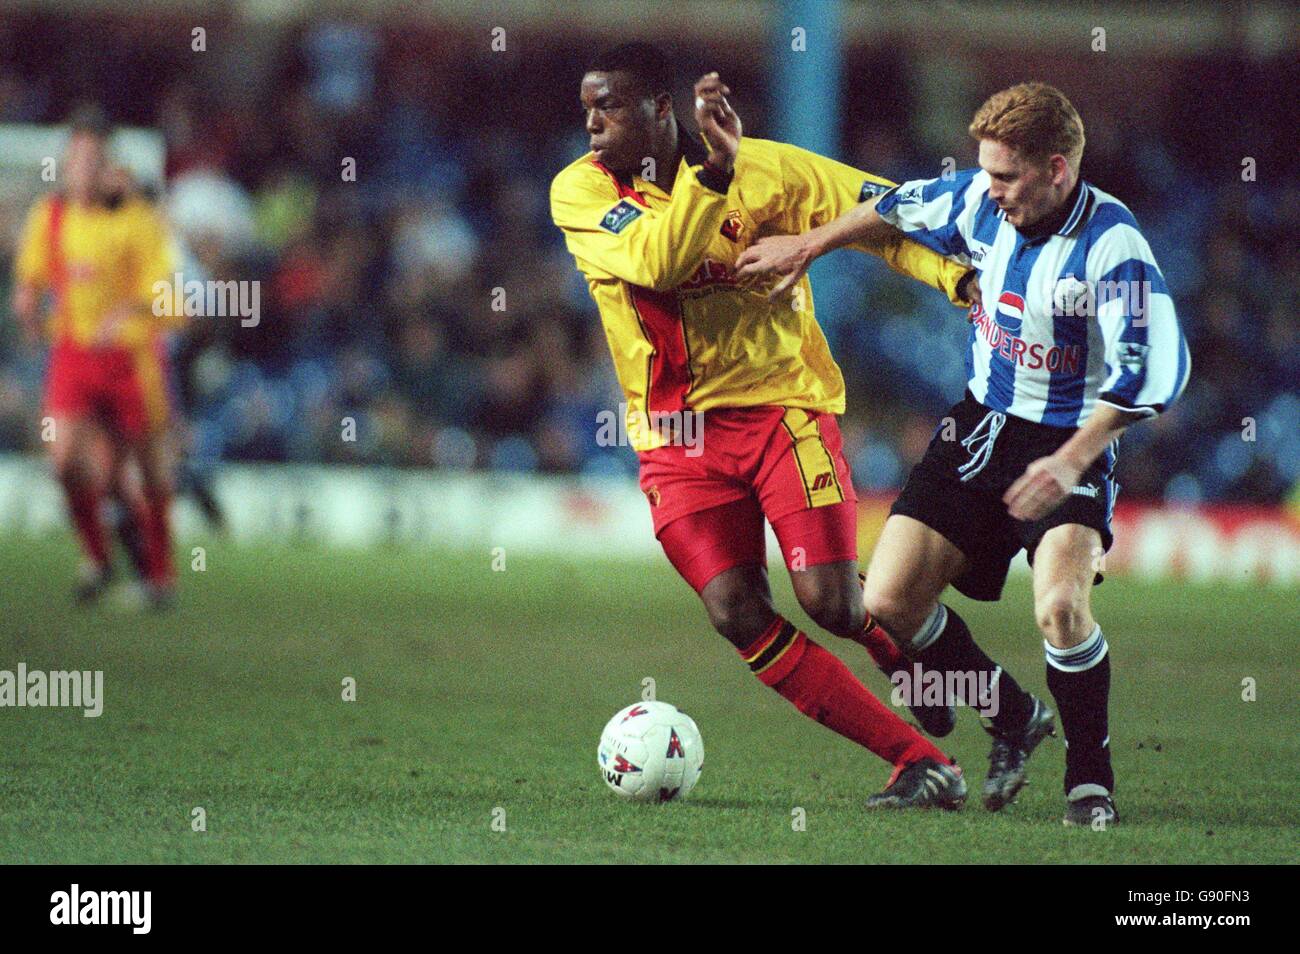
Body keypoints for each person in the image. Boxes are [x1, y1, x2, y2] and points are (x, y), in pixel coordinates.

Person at [736, 82, 1191, 826]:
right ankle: (1013, 715)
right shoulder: (977, 200)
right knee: (885, 601)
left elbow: (1155, 369)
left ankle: (1090, 779)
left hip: (1068, 439)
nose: (991, 189)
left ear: (1057, 170)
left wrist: (1073, 459)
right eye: (985, 171)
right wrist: (810, 245)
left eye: (1007, 176)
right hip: (982, 426)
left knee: (1062, 612)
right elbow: (891, 204)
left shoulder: (1113, 246)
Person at [550, 42, 983, 808]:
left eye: (607, 107)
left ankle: (924, 663)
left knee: (832, 603)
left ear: (659, 109)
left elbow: (880, 212)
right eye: (586, 108)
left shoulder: (767, 170)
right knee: (736, 610)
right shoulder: (580, 194)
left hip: (780, 407)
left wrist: (957, 276)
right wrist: (712, 177)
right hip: (674, 439)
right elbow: (657, 261)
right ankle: (920, 760)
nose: (591, 125)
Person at [11, 105, 185, 608]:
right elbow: (32, 277)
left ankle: (160, 575)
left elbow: (166, 295)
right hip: (73, 354)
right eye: (77, 157)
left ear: (108, 162)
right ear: (67, 161)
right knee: (64, 459)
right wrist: (26, 300)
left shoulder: (137, 219)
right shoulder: (52, 215)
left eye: (93, 157)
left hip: (132, 358)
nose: (84, 168)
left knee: (146, 469)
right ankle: (98, 558)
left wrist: (126, 309)